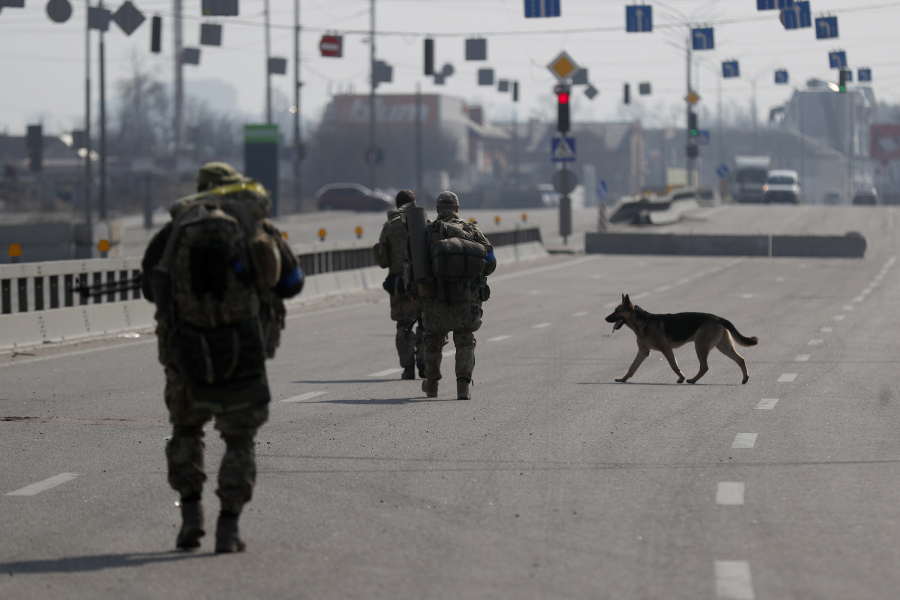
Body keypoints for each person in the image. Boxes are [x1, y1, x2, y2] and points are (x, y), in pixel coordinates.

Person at [141, 162, 303, 553]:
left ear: (199, 189)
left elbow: (151, 288)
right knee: (239, 440)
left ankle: (191, 515)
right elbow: (291, 283)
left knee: (186, 431)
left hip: (186, 352)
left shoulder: (174, 231)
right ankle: (228, 528)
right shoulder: (255, 226)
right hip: (241, 351)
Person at [413, 191, 496, 400]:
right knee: (465, 339)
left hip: (435, 296)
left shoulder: (427, 231)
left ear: (437, 209)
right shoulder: (471, 230)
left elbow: (413, 265)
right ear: (457, 209)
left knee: (433, 340)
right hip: (466, 297)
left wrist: (414, 293)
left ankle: (432, 385)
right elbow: (490, 261)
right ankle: (462, 387)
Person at [377, 190, 426, 379]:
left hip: (400, 285)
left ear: (397, 205)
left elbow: (382, 259)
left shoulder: (389, 227)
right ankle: (423, 360)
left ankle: (408, 367)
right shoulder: (425, 223)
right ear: (414, 203)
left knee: (403, 326)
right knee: (425, 323)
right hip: (422, 283)